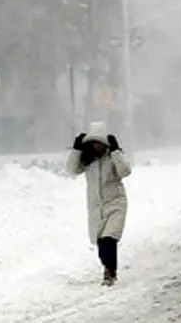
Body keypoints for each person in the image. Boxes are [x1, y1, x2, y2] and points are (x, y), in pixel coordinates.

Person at [65, 121, 132, 286]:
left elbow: (125, 171)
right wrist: (76, 150)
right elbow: (71, 170)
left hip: (116, 203)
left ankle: (109, 273)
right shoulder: (88, 160)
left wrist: (116, 151)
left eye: (99, 143)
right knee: (101, 244)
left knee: (109, 239)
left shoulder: (113, 157)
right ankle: (109, 268)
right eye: (93, 143)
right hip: (96, 207)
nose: (97, 146)